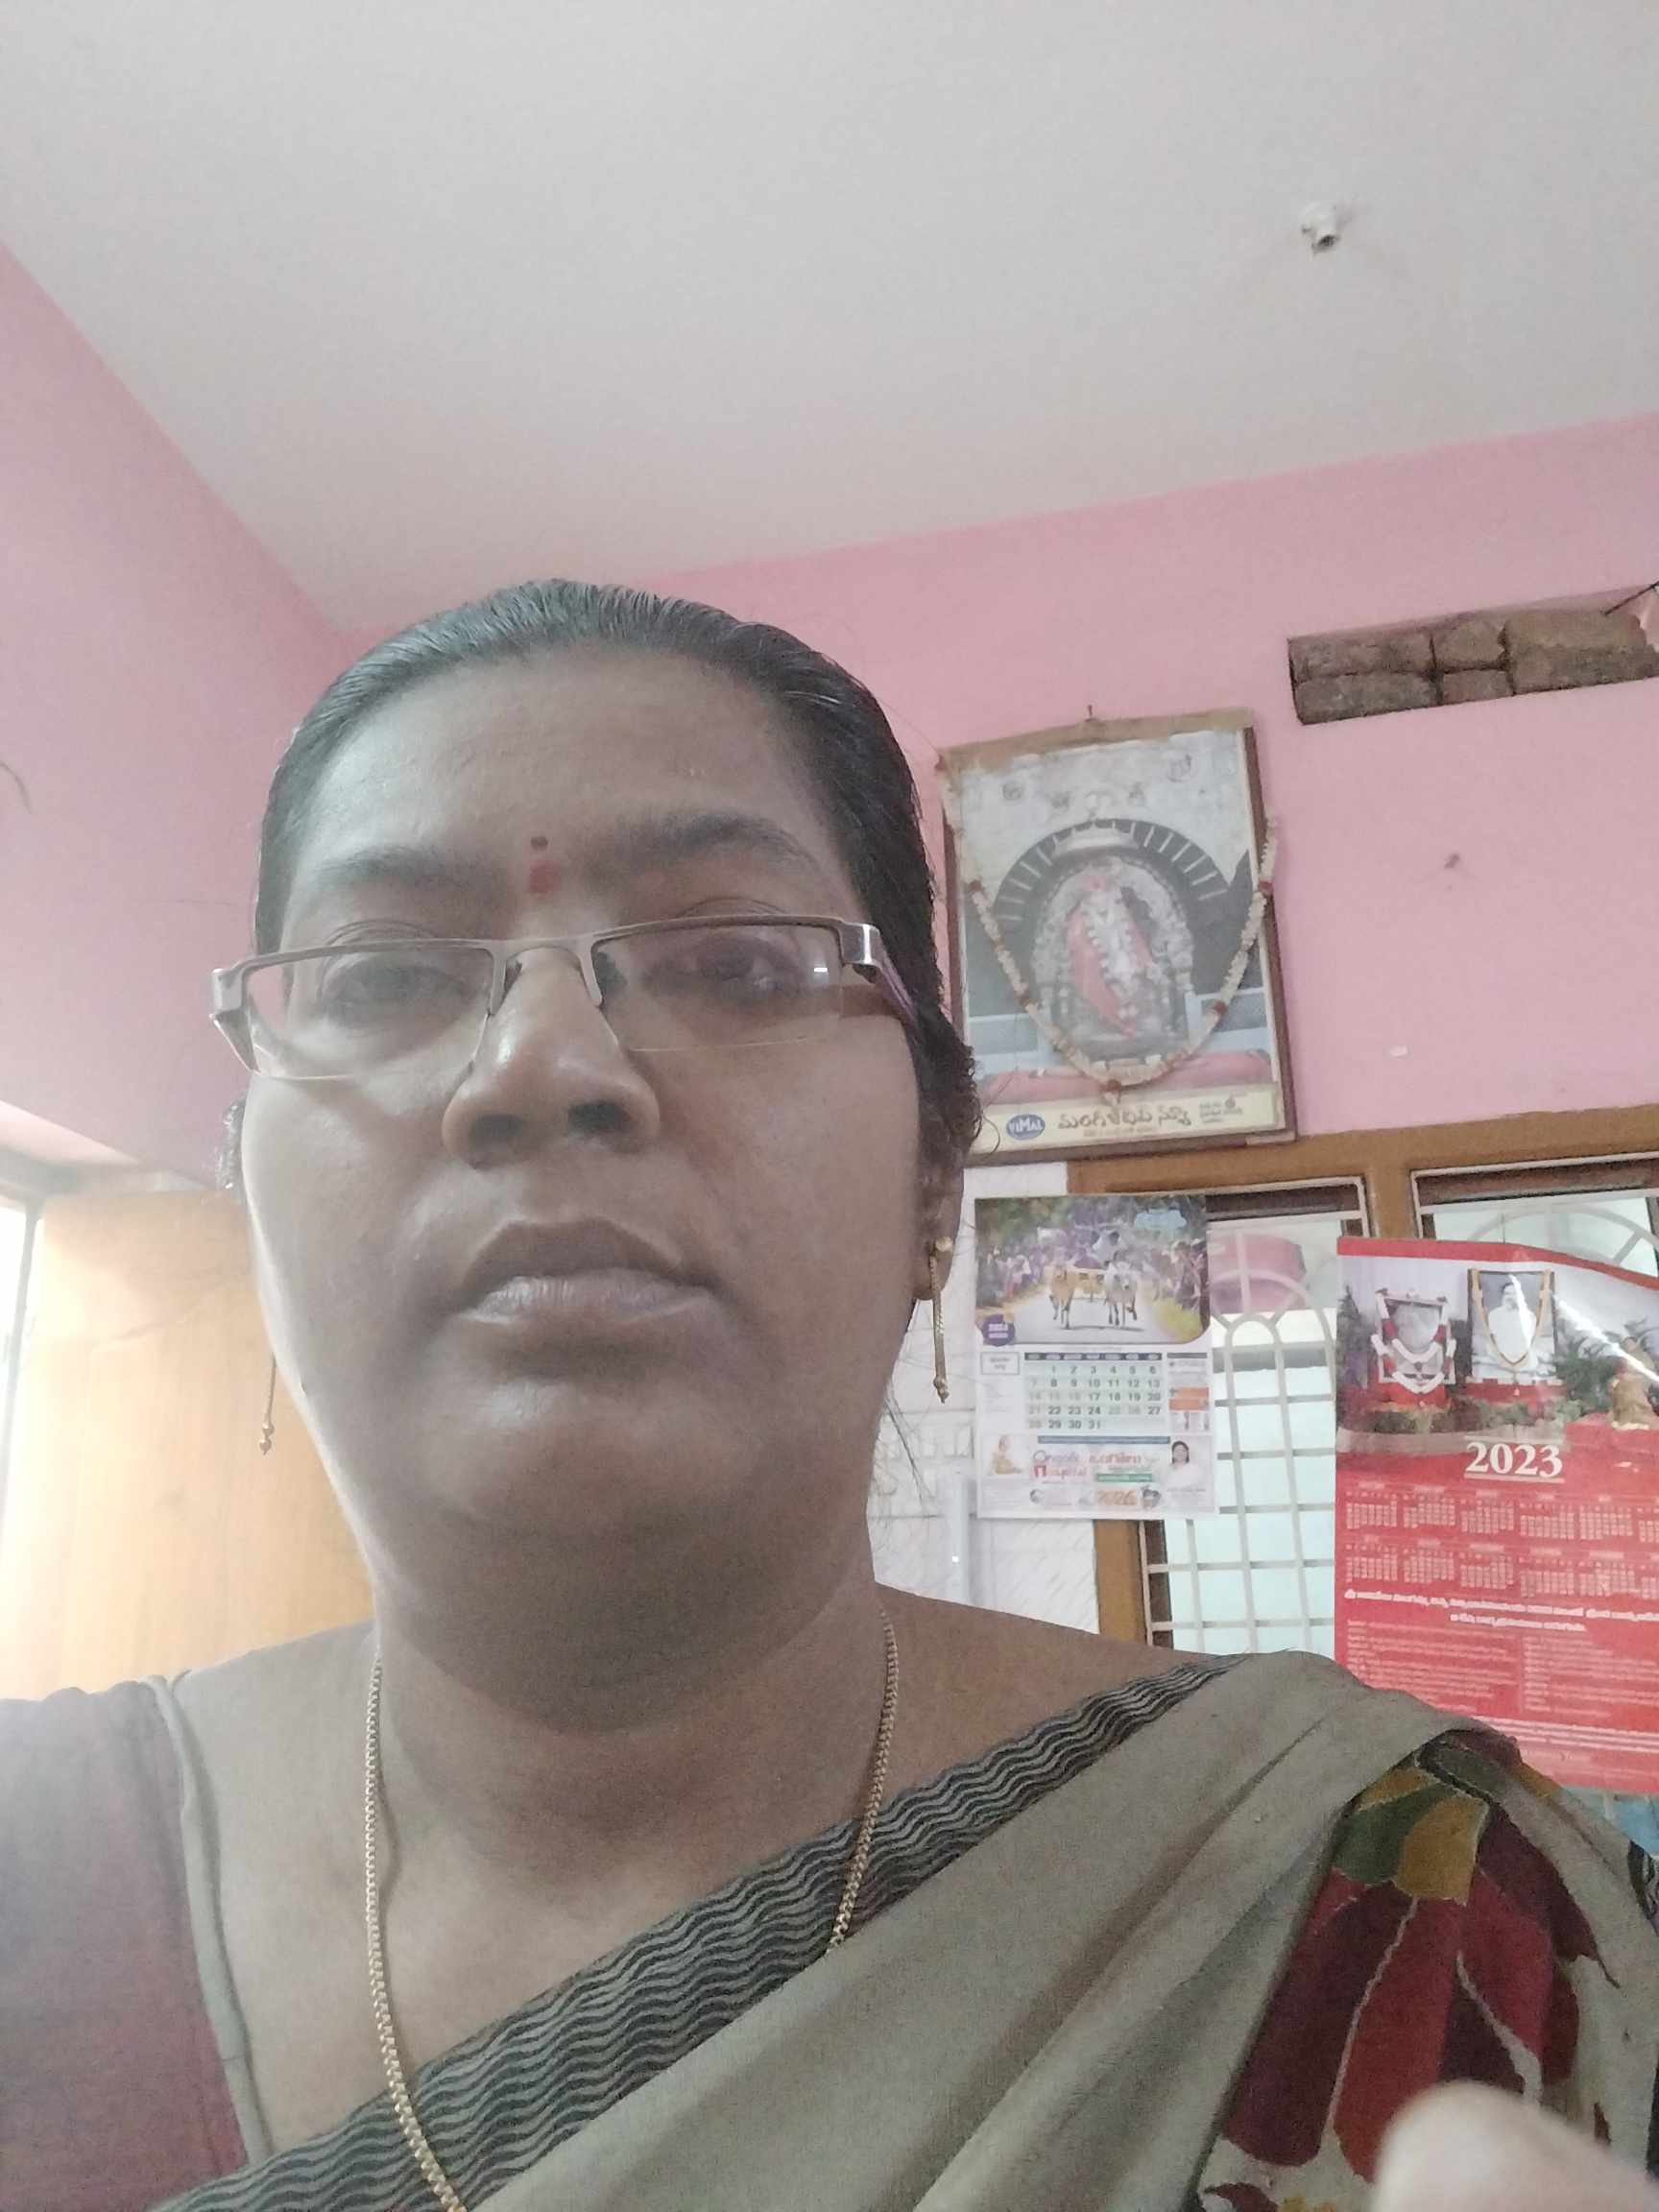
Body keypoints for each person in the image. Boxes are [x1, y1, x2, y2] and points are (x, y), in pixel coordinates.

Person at [3, 579, 1656, 2212]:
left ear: (937, 1176)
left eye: (733, 960)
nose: (541, 1065)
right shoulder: (35, 1871)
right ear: (244, 1180)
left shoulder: (1407, 1907)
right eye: (379, 979)